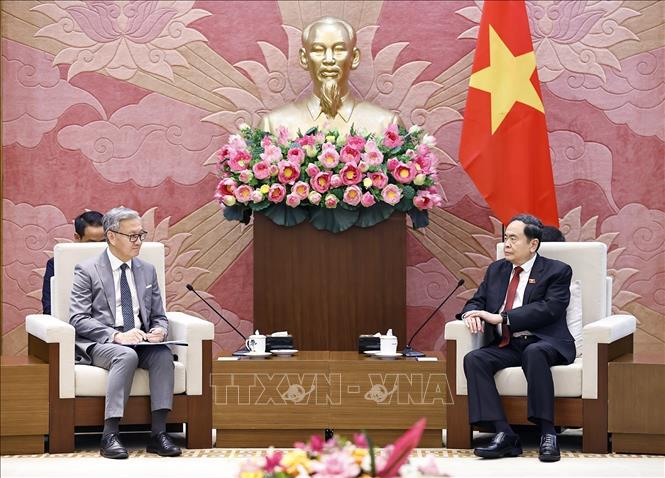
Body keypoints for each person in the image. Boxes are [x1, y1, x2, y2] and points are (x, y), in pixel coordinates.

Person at [458, 214, 574, 462]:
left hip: (545, 342)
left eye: (513, 238)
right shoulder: (497, 270)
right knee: (475, 359)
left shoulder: (557, 270)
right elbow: (477, 300)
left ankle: (547, 433)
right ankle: (504, 434)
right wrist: (471, 314)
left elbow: (550, 308)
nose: (507, 244)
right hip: (509, 344)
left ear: (533, 244)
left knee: (534, 352)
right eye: (506, 238)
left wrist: (503, 318)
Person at [69, 207, 180, 459]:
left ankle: (159, 434)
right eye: (132, 236)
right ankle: (109, 435)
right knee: (125, 355)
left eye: (141, 235)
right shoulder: (87, 270)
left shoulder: (147, 270)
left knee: (163, 354)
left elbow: (159, 315)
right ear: (111, 236)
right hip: (104, 342)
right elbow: (78, 318)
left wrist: (159, 330)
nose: (138, 241)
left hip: (140, 340)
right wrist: (116, 336)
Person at [261, 16, 400, 136]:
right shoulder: (273, 125)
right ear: (304, 58)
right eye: (318, 50)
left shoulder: (386, 125)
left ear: (354, 57)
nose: (329, 60)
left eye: (339, 50)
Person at [42, 211, 105, 315]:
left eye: (103, 242)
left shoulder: (118, 262)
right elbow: (49, 309)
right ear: (77, 238)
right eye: (91, 243)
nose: (98, 248)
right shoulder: (57, 264)